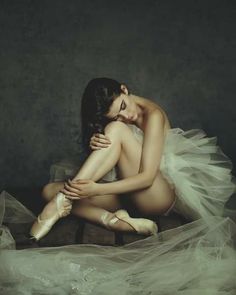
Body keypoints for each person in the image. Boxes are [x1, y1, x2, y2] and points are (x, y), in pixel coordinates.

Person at [29, 77, 236, 241]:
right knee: (48, 190)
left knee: (116, 131)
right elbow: (112, 157)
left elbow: (146, 178)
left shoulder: (153, 115)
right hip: (127, 195)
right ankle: (112, 220)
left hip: (157, 195)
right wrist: (95, 140)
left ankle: (61, 202)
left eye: (123, 106)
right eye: (116, 116)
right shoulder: (117, 121)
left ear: (124, 89)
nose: (125, 116)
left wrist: (97, 189)